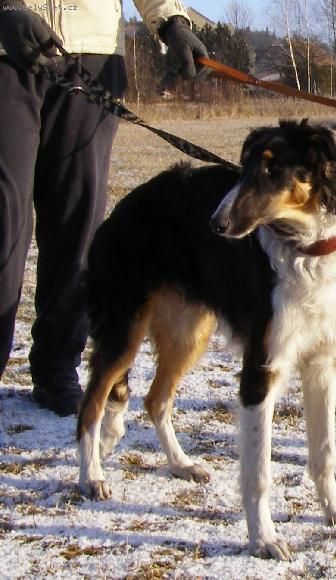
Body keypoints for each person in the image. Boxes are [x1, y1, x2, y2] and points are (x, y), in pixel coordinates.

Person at [0, 0, 208, 416]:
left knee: (78, 220)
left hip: (92, 53)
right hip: (7, 50)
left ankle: (58, 366)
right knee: (4, 218)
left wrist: (171, 20)